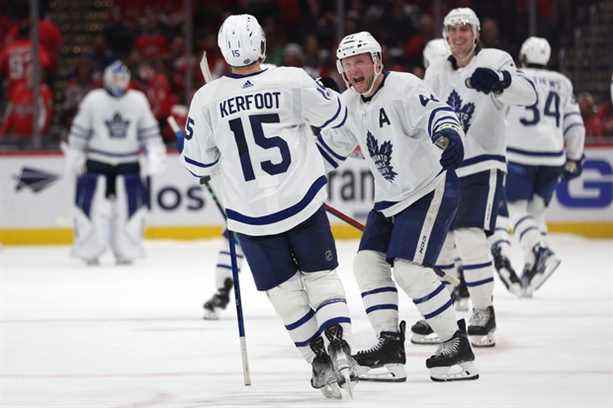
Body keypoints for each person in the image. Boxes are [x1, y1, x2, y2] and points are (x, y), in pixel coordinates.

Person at [181, 14, 358, 399]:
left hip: (250, 218)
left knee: (284, 291)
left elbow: (197, 164)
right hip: (302, 201)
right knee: (321, 277)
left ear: (224, 49)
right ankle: (339, 341)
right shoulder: (292, 79)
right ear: (262, 43)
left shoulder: (206, 98)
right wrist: (324, 90)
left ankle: (317, 358)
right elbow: (336, 114)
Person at [317, 31, 478, 383]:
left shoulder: (404, 87)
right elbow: (324, 153)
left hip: (428, 188)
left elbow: (438, 111)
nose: (355, 69)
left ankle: (457, 345)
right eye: (348, 64)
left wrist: (450, 134)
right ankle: (389, 348)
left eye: (361, 61)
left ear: (377, 62)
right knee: (366, 264)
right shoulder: (348, 104)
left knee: (408, 270)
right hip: (390, 200)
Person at [414, 7, 538, 348]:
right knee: (440, 243)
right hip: (447, 167)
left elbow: (530, 93)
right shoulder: (438, 69)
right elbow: (422, 112)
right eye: (452, 30)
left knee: (469, 236)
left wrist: (502, 82)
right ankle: (442, 310)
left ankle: (483, 311)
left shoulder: (497, 59)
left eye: (464, 29)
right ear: (445, 34)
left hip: (484, 162)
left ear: (477, 33)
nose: (458, 35)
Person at [489, 37, 585, 297]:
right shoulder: (563, 82)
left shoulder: (514, 75)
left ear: (522, 55)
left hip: (520, 154)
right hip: (553, 157)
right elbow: (575, 125)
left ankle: (541, 251)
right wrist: (574, 157)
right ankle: (531, 269)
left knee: (516, 210)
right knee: (536, 211)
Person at [63, 60, 166, 265]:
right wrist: (74, 155)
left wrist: (156, 154)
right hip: (97, 163)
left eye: (123, 78)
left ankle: (126, 251)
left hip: (128, 164)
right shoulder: (93, 100)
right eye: (116, 78)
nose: (120, 83)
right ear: (107, 79)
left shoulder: (138, 100)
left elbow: (150, 133)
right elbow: (79, 132)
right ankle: (89, 250)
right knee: (93, 211)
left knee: (129, 211)